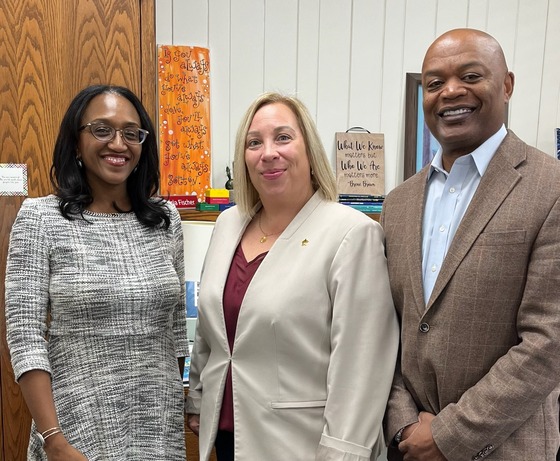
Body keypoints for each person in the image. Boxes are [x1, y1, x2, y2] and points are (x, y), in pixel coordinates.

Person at [185, 92, 399, 460]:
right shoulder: (227, 223)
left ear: (310, 150)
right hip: (225, 438)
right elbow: (212, 325)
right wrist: (199, 395)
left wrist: (342, 452)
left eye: (283, 137)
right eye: (255, 142)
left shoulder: (350, 233)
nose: (268, 152)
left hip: (299, 445)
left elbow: (361, 366)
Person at [381, 28, 560, 461]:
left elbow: (548, 341)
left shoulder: (550, 187)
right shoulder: (398, 203)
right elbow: (388, 330)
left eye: (471, 75)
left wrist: (448, 436)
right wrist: (404, 423)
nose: (451, 92)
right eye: (435, 83)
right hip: (409, 447)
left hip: (507, 447)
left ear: (507, 84)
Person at [5, 85, 188, 460]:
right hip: (75, 431)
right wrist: (53, 439)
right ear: (76, 142)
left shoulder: (165, 218)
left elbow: (176, 330)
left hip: (158, 429)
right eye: (102, 130)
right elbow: (25, 337)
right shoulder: (41, 218)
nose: (118, 143)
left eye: (131, 133)